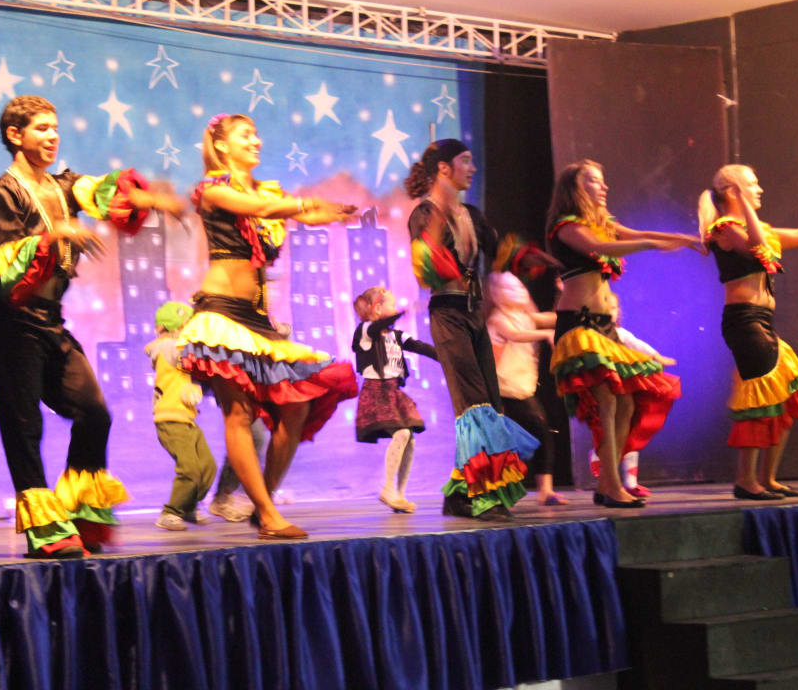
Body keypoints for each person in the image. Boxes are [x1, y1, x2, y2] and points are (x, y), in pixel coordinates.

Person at [0, 95, 184, 558]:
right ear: (15, 135)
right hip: (11, 324)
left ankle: (81, 512)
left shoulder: (63, 185)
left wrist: (149, 199)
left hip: (50, 321)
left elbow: (102, 192)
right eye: (42, 128)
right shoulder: (3, 193)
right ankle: (45, 530)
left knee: (94, 413)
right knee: (24, 427)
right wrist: (57, 234)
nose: (53, 136)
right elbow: (9, 265)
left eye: (55, 127)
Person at [177, 112, 357, 540]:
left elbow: (286, 212)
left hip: (258, 321)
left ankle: (265, 505)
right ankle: (268, 513)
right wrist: (306, 204)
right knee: (238, 413)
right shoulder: (213, 190)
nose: (256, 141)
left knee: (296, 406)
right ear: (222, 145)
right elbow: (262, 209)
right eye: (246, 135)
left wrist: (331, 213)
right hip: (221, 314)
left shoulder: (266, 193)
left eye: (257, 134)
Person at [698, 165, 798, 501]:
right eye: (752, 184)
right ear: (732, 191)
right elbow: (756, 246)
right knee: (759, 397)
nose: (760, 190)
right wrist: (744, 206)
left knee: (782, 397)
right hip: (744, 321)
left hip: (761, 320)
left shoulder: (758, 227)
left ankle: (767, 478)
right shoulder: (725, 228)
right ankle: (746, 480)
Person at [405, 138, 539, 520]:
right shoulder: (423, 214)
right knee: (473, 405)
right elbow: (428, 270)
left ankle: (461, 494)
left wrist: (529, 260)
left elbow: (496, 260)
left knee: (490, 404)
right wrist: (438, 217)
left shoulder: (473, 215)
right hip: (448, 315)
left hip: (475, 316)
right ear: (443, 168)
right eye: (465, 160)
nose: (473, 168)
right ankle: (482, 495)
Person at [546, 160, 691, 508]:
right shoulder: (566, 227)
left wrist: (682, 239)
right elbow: (603, 249)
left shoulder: (603, 224)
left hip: (605, 327)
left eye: (602, 180)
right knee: (608, 400)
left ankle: (607, 482)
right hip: (579, 325)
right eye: (594, 181)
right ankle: (611, 484)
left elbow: (634, 234)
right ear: (576, 188)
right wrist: (654, 244)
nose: (604, 187)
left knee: (626, 401)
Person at [352, 286, 439, 512]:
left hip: (393, 391)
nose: (395, 307)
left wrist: (447, 357)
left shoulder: (395, 336)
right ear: (377, 308)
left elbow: (420, 347)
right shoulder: (365, 330)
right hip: (376, 391)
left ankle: (399, 494)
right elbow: (377, 326)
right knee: (402, 433)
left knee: (409, 439)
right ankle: (387, 489)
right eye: (391, 304)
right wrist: (402, 313)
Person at [485, 269, 568, 506]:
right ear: (497, 294)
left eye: (520, 287)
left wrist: (563, 293)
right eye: (510, 288)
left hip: (521, 389)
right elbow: (515, 335)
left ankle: (545, 491)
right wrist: (545, 334)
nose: (518, 292)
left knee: (541, 435)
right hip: (502, 391)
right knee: (518, 440)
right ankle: (494, 490)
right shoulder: (498, 319)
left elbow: (557, 317)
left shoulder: (526, 317)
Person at [146, 301, 216, 530]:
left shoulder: (181, 351)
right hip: (170, 418)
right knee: (190, 469)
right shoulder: (165, 346)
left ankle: (188, 506)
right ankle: (170, 512)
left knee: (208, 467)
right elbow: (182, 353)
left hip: (187, 420)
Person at [610, 295, 677, 498]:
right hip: (608, 388)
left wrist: (657, 357)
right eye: (606, 307)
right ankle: (602, 462)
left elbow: (637, 344)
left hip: (625, 386)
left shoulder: (620, 333)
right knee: (613, 428)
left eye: (613, 307)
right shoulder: (591, 338)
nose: (610, 312)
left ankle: (630, 482)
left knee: (630, 430)